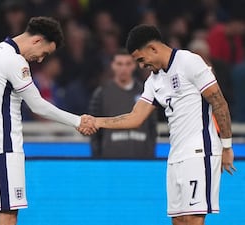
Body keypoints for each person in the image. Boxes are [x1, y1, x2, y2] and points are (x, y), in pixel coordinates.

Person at [85, 24, 236, 225]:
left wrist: (226, 146)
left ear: (153, 49)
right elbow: (135, 117)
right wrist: (97, 121)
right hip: (176, 156)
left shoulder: (189, 62)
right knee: (178, 220)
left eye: (141, 59)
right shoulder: (154, 81)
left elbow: (219, 103)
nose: (141, 66)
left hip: (200, 151)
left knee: (193, 218)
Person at [0, 16, 96, 225]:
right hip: (2, 148)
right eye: (44, 53)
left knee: (5, 215)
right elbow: (37, 105)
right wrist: (77, 121)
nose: (41, 59)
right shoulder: (14, 61)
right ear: (37, 40)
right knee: (7, 217)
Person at [88, 48, 157, 159]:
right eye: (119, 64)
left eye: (128, 64)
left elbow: (152, 127)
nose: (123, 68)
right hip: (110, 160)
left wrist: (150, 154)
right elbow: (94, 131)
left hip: (142, 160)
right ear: (112, 65)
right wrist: (98, 159)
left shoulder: (146, 91)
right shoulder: (101, 93)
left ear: (134, 65)